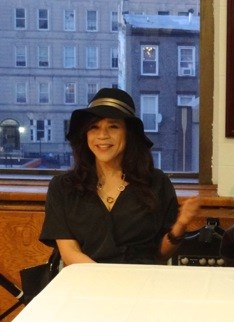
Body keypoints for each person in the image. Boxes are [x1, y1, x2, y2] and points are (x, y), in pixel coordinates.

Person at [39, 88, 200, 265]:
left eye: (113, 126)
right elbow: (70, 253)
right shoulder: (63, 187)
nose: (102, 136)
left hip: (142, 284)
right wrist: (108, 284)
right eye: (94, 127)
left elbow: (159, 255)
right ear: (85, 135)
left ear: (129, 134)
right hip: (86, 283)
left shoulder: (157, 182)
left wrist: (181, 225)